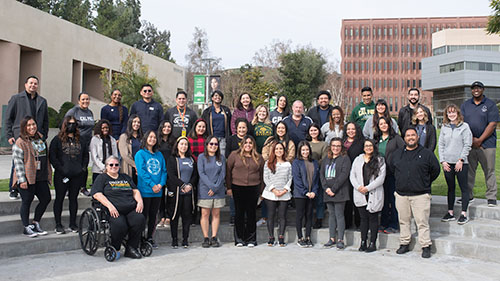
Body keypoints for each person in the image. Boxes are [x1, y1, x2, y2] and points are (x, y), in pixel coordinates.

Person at [390, 128, 440, 259]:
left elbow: (435, 170)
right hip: (402, 194)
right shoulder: (397, 154)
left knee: (422, 222)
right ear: (404, 138)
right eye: (408, 136)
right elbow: (392, 169)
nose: (410, 137)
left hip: (421, 195)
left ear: (417, 137)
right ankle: (404, 243)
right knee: (403, 221)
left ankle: (425, 245)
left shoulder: (427, 153)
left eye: (413, 135)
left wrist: (425, 182)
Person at [91, 156, 145, 259]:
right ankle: (116, 247)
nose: (114, 167)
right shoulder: (102, 178)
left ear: (119, 166)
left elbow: (135, 191)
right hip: (113, 210)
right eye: (111, 165)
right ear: (106, 166)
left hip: (130, 208)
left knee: (139, 219)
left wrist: (140, 202)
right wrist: (110, 206)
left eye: (116, 165)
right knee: (120, 225)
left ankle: (131, 248)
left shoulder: (125, 177)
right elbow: (97, 194)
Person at [6, 76, 49, 200]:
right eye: (30, 83)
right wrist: (9, 135)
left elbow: (45, 120)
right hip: (20, 136)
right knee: (17, 162)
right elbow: (8, 118)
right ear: (25, 84)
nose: (33, 85)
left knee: (36, 161)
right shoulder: (16, 99)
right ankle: (13, 188)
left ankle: (35, 185)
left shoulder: (42, 101)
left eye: (35, 83)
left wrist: (44, 134)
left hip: (37, 137)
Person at [460, 81, 500, 207]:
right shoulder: (466, 105)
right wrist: (471, 140)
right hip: (469, 144)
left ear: (483, 90)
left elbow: (492, 124)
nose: (476, 90)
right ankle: (468, 195)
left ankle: (491, 197)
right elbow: (461, 123)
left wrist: (480, 140)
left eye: (478, 88)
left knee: (489, 170)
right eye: (474, 88)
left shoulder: (490, 104)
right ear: (471, 91)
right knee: (469, 171)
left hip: (487, 144)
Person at [12, 116, 52, 237]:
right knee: (27, 201)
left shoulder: (40, 138)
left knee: (46, 199)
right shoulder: (20, 142)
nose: (32, 127)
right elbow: (18, 163)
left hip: (41, 176)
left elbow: (45, 157)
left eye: (33, 124)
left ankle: (35, 223)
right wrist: (22, 179)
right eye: (28, 125)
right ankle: (26, 227)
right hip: (27, 177)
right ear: (24, 127)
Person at [49, 116, 89, 234]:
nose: (72, 126)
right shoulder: (57, 140)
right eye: (69, 124)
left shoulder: (81, 140)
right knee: (59, 199)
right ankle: (58, 224)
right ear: (65, 125)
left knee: (73, 199)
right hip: (62, 175)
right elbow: (53, 156)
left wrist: (83, 168)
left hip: (77, 175)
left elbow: (86, 155)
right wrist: (60, 169)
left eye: (74, 124)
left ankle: (73, 223)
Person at [226, 135, 264, 247]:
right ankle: (239, 239)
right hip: (238, 187)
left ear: (253, 145)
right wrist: (228, 188)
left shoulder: (259, 157)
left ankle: (251, 239)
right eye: (246, 143)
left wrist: (261, 191)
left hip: (253, 187)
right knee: (239, 214)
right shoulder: (234, 155)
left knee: (251, 214)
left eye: (250, 143)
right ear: (242, 144)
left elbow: (262, 175)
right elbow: (228, 172)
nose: (248, 145)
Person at [439, 104, 472, 224]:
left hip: (461, 163)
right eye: (449, 113)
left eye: (453, 112)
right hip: (448, 163)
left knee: (464, 188)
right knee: (450, 188)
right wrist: (443, 161)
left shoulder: (464, 127)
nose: (451, 115)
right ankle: (450, 212)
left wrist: (461, 160)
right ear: (446, 115)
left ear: (457, 113)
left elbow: (467, 144)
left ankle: (463, 213)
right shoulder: (444, 127)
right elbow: (441, 145)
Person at [350, 139, 386, 252]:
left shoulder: (380, 160)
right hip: (360, 193)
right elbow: (352, 175)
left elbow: (381, 178)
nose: (368, 148)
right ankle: (363, 242)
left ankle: (372, 243)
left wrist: (368, 188)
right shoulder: (358, 159)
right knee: (363, 219)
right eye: (366, 146)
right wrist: (358, 187)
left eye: (370, 146)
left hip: (373, 193)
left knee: (373, 219)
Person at [134, 130, 167, 248]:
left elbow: (164, 171)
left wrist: (160, 184)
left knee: (154, 217)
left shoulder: (159, 154)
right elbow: (142, 172)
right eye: (150, 137)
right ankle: (140, 238)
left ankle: (150, 238)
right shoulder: (140, 154)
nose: (153, 139)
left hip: (157, 192)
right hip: (145, 191)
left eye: (154, 137)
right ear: (146, 138)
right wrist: (152, 184)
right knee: (143, 216)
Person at [166, 137, 199, 248]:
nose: (183, 146)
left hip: (188, 194)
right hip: (176, 193)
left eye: (186, 144)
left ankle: (185, 239)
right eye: (181, 144)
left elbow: (195, 175)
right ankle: (174, 239)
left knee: (187, 217)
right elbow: (171, 175)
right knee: (174, 217)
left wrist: (190, 185)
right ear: (177, 145)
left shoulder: (191, 159)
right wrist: (182, 185)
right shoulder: (172, 159)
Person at [374, 117, 404, 234]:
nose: (383, 125)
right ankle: (384, 223)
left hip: (392, 173)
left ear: (389, 124)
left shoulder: (396, 138)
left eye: (385, 123)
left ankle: (394, 224)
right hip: (379, 174)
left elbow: (403, 151)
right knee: (383, 199)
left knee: (393, 199)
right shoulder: (377, 139)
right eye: (381, 123)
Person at [320, 138, 351, 249]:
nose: (335, 148)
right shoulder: (326, 159)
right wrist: (326, 188)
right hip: (328, 192)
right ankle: (331, 238)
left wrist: (334, 189)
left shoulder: (345, 159)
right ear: (330, 147)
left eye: (338, 146)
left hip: (340, 192)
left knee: (339, 215)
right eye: (333, 145)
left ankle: (340, 239)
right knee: (331, 215)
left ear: (341, 147)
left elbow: (343, 175)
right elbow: (322, 175)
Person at [197, 136, 226, 248]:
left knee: (216, 214)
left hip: (218, 190)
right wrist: (211, 186)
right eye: (211, 144)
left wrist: (215, 187)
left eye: (215, 144)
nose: (213, 146)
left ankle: (214, 237)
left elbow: (222, 174)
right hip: (205, 190)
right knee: (205, 213)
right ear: (207, 145)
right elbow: (201, 173)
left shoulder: (221, 158)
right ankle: (205, 237)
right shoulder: (201, 157)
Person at [262, 142, 292, 247]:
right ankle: (271, 237)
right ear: (273, 151)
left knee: (282, 216)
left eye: (281, 149)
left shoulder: (288, 164)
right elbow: (266, 178)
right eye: (277, 149)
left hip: (284, 193)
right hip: (270, 193)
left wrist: (284, 190)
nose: (279, 151)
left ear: (284, 151)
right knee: (271, 215)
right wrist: (273, 190)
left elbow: (290, 178)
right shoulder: (268, 163)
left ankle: (281, 237)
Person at [65, 92, 94, 196]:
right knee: (72, 165)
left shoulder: (90, 112)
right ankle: (69, 188)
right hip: (75, 143)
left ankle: (83, 187)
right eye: (83, 99)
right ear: (78, 101)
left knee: (84, 166)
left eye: (87, 99)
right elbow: (65, 125)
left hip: (86, 144)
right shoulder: (73, 111)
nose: (85, 101)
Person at [293, 141, 319, 248]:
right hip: (300, 194)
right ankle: (300, 238)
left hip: (311, 194)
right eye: (303, 150)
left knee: (309, 215)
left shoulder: (315, 162)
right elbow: (297, 179)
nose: (305, 152)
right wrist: (305, 192)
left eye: (307, 149)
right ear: (299, 151)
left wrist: (314, 191)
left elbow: (316, 179)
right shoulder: (296, 162)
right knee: (300, 216)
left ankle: (308, 237)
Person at [224, 118, 249, 225]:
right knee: (234, 195)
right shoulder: (231, 139)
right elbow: (227, 154)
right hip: (234, 171)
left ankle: (245, 216)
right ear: (236, 128)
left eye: (244, 127)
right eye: (240, 127)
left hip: (247, 171)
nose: (242, 130)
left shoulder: (249, 139)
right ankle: (234, 216)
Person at [343, 122, 365, 230]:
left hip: (358, 174)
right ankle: (347, 223)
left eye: (353, 129)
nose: (350, 131)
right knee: (347, 199)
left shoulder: (361, 142)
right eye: (348, 129)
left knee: (357, 198)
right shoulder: (343, 142)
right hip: (344, 174)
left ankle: (359, 222)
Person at [306, 123, 328, 229]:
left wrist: (313, 164)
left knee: (319, 197)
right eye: (311, 130)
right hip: (307, 174)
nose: (313, 132)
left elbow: (324, 159)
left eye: (315, 130)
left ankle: (319, 218)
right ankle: (307, 218)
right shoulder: (306, 144)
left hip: (319, 173)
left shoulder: (324, 144)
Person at [201, 90, 231, 156]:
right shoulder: (207, 111)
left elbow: (230, 123)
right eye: (216, 96)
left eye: (219, 96)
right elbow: (203, 123)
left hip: (223, 138)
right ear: (212, 98)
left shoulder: (226, 110)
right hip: (211, 138)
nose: (218, 97)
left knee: (222, 156)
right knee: (211, 156)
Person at [157, 120, 174, 228]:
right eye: (165, 127)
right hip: (160, 171)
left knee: (171, 195)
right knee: (160, 196)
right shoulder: (157, 141)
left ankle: (169, 217)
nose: (167, 129)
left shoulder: (173, 141)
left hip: (171, 171)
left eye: (169, 127)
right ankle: (161, 217)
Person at [118, 114, 143, 183]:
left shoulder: (142, 137)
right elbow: (124, 155)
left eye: (138, 122)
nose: (136, 124)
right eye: (134, 122)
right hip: (129, 167)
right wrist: (135, 165)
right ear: (130, 123)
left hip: (141, 167)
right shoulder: (124, 137)